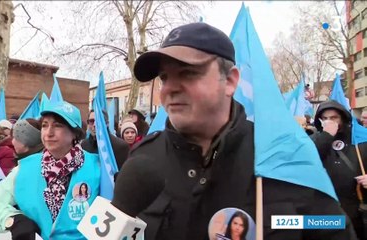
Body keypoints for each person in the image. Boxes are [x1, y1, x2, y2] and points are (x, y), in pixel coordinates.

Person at [115, 22, 356, 239]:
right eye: (165, 77)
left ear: (230, 80)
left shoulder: (284, 157)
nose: (170, 89)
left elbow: (330, 225)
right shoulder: (143, 160)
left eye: (188, 73)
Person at [0, 101, 101, 240]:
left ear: (74, 133)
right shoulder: (25, 168)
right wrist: (13, 220)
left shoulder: (97, 168)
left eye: (58, 125)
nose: (49, 133)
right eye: (45, 125)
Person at [311, 100, 367, 240]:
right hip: (326, 209)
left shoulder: (360, 140)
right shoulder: (314, 140)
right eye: (325, 118)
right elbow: (310, 158)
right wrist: (327, 136)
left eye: (334, 117)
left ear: (342, 118)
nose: (329, 121)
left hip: (356, 209)